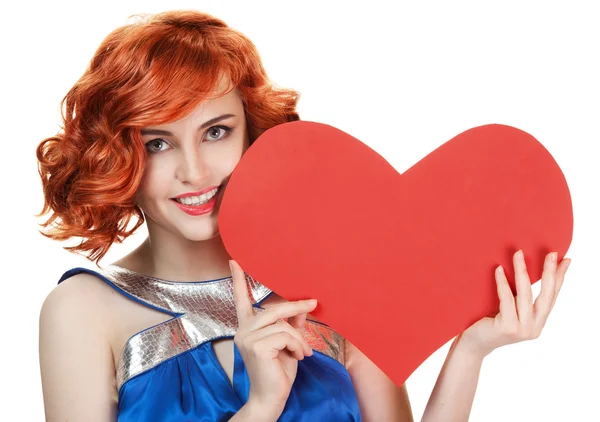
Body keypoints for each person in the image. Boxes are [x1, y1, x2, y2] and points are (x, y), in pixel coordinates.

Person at [37, 9, 571, 422]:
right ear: (117, 154)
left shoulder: (333, 273)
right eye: (158, 143)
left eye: (216, 131)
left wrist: (471, 349)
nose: (194, 170)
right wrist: (260, 406)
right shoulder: (83, 310)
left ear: (251, 132)